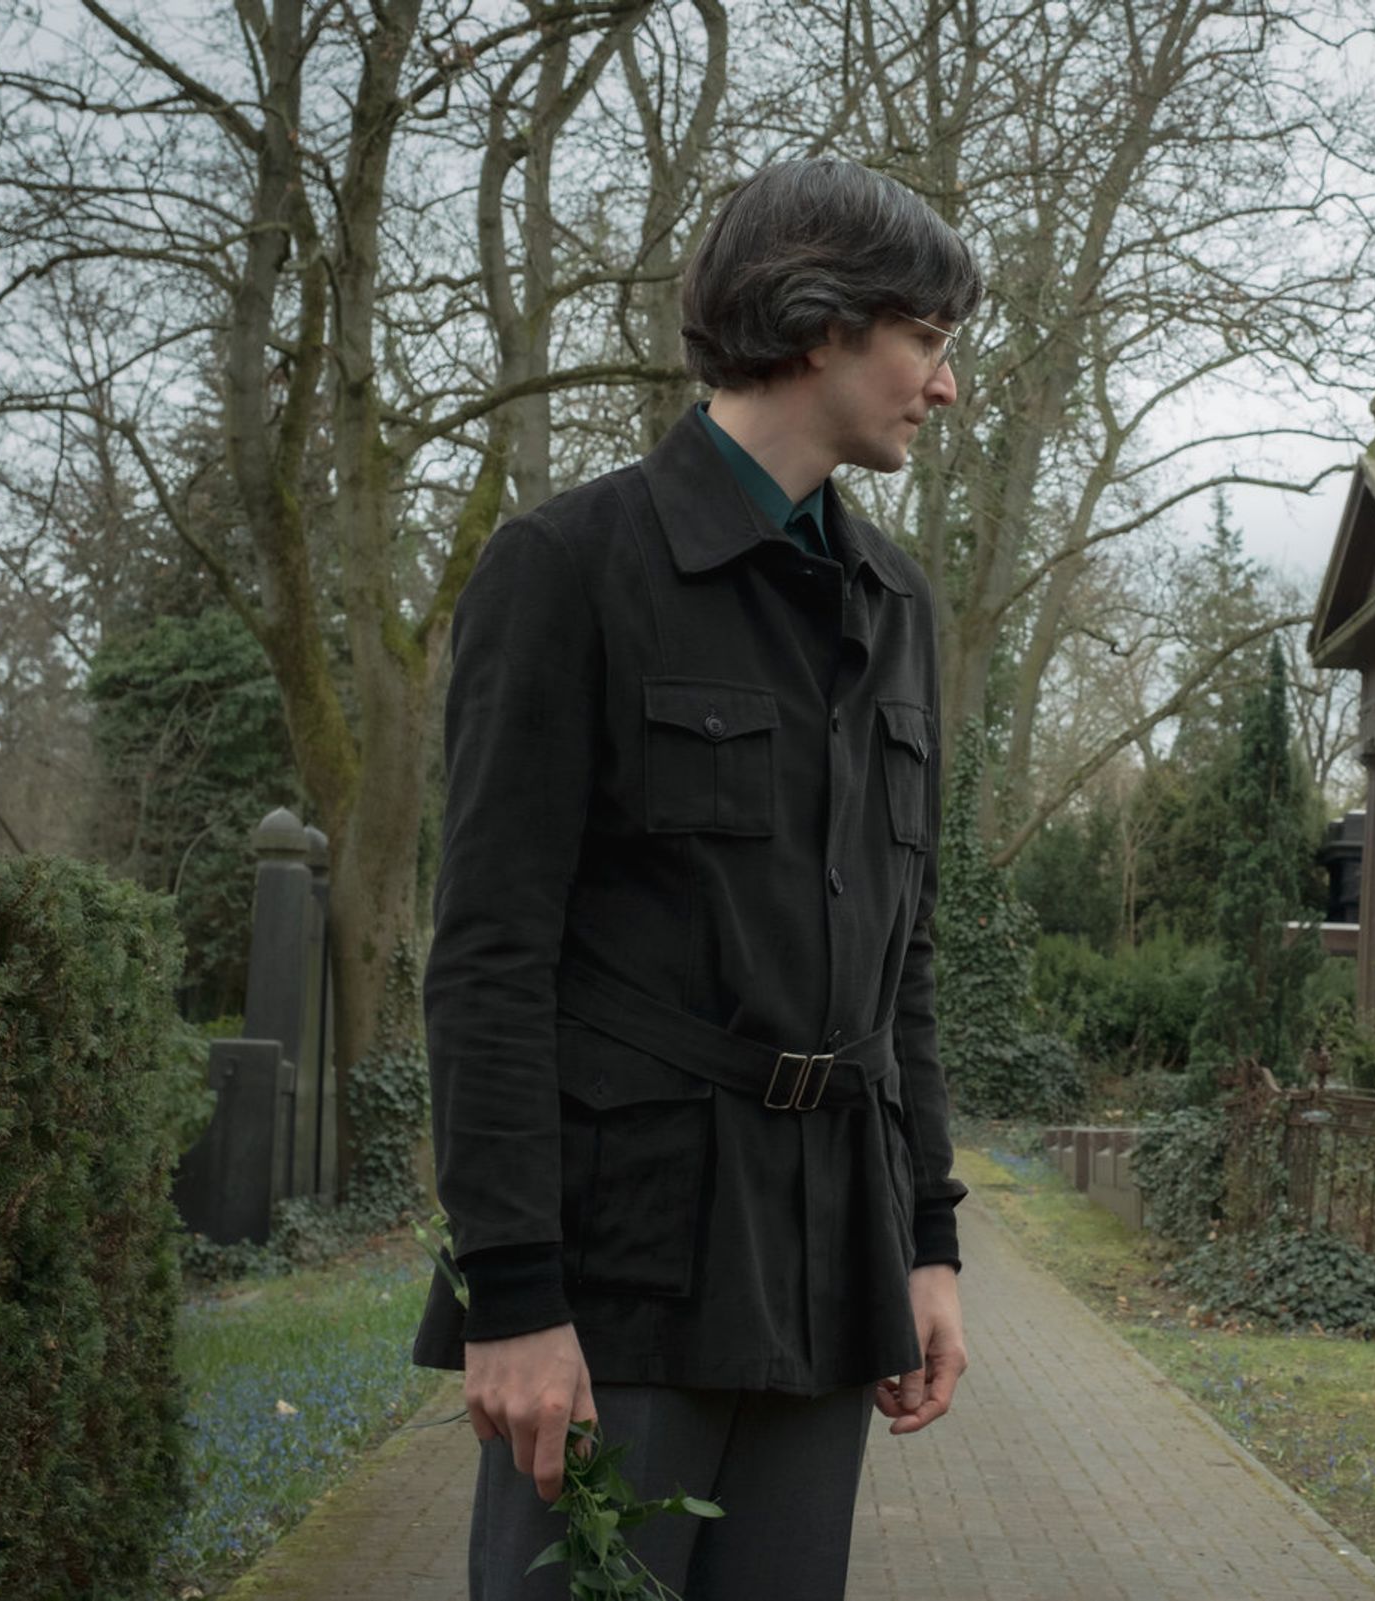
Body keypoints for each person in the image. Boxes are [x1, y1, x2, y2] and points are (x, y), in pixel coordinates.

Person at [411, 158, 983, 1600]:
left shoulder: (896, 605)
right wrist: (512, 1294)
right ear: (820, 324)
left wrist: (926, 1242)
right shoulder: (568, 568)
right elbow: (488, 957)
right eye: (926, 338)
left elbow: (902, 958)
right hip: (621, 1275)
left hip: (828, 1266)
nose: (946, 383)